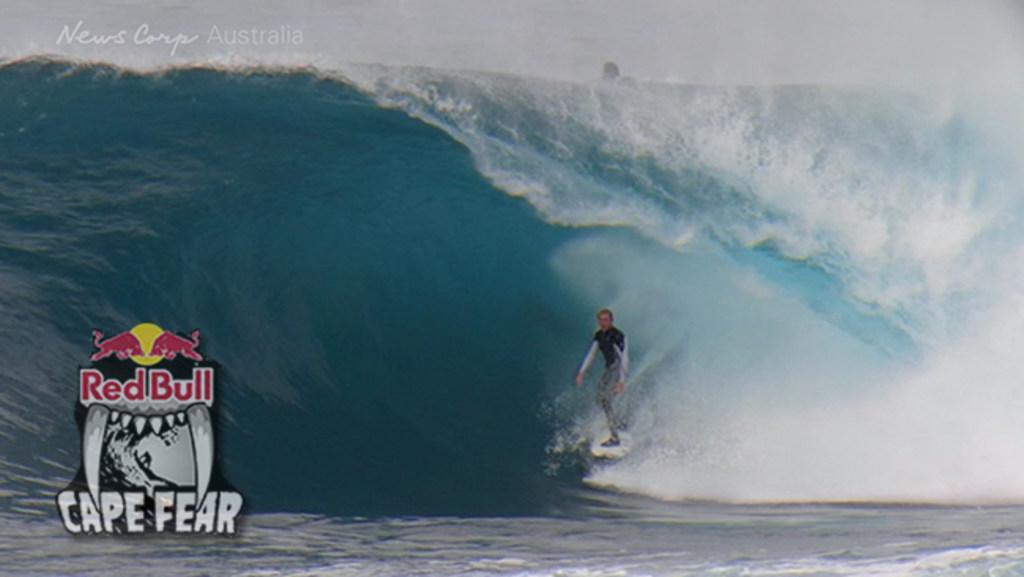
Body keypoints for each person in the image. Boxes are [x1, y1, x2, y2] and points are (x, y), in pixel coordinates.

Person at [575, 308, 629, 447]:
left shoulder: (617, 336)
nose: (603, 323)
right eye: (601, 320)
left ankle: (615, 437)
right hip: (609, 369)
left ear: (611, 320)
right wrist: (582, 372)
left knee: (605, 400)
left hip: (616, 369)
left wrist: (621, 380)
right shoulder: (599, 335)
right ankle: (617, 422)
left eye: (606, 320)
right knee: (600, 398)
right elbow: (591, 354)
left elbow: (624, 358)